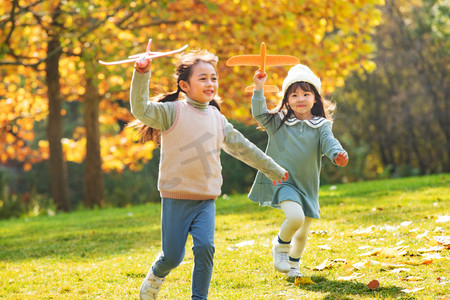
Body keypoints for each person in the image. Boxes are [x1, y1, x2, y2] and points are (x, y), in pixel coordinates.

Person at [129, 49, 288, 300]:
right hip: (176, 198)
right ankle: (156, 276)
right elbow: (140, 108)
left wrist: (273, 169)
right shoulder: (171, 112)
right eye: (202, 78)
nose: (210, 83)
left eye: (213, 78)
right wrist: (141, 73)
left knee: (205, 247)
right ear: (184, 85)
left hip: (206, 199)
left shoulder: (217, 118)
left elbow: (243, 147)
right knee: (172, 256)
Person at [248, 64, 348, 278]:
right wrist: (259, 88)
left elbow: (330, 143)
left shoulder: (321, 125)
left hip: (308, 185)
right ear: (286, 99)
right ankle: (280, 247)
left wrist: (337, 154)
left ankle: (294, 265)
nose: (300, 99)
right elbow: (258, 113)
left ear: (315, 98)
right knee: (295, 218)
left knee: (302, 234)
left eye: (306, 93)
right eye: (294, 95)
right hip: (283, 181)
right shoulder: (278, 122)